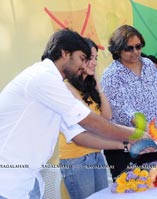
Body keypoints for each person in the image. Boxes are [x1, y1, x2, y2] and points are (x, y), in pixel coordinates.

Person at [0, 29, 146, 199]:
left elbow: (77, 134)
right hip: (7, 183)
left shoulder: (53, 84)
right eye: (82, 59)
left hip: (26, 182)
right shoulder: (42, 78)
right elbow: (89, 121)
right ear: (65, 53)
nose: (84, 66)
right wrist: (136, 135)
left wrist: (126, 145)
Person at [101, 25, 157, 180]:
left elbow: (156, 99)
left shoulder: (149, 65)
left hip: (153, 140)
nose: (135, 52)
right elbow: (120, 109)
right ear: (117, 50)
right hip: (125, 145)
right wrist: (143, 130)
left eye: (138, 46)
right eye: (129, 49)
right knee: (130, 189)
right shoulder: (111, 75)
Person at [58, 38, 111, 199]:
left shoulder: (90, 87)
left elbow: (107, 116)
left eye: (96, 58)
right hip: (76, 159)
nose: (94, 63)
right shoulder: (66, 86)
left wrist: (97, 84)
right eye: (90, 58)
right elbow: (90, 120)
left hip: (96, 154)